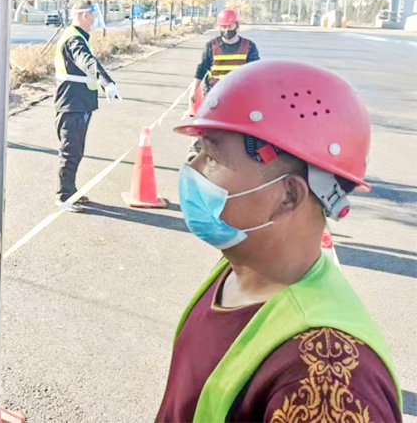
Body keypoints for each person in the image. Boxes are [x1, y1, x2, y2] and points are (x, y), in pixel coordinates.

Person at [158, 60, 402, 422]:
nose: (192, 171)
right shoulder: (239, 269)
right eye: (197, 152)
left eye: (213, 157)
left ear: (288, 196)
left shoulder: (326, 378)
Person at [53, 0, 121, 212]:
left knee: (76, 150)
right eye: (93, 15)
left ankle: (70, 190)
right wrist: (106, 82)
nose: (95, 20)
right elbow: (87, 62)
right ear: (84, 15)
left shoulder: (79, 36)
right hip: (72, 103)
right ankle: (64, 196)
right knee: (70, 151)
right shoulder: (74, 39)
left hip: (78, 103)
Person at [187, 8, 260, 161]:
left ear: (236, 25)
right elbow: (202, 68)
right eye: (224, 27)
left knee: (247, 123)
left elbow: (255, 72)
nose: (227, 30)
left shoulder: (249, 46)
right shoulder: (211, 46)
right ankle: (196, 150)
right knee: (206, 120)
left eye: (230, 26)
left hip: (239, 93)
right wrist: (194, 90)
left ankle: (252, 153)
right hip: (215, 92)